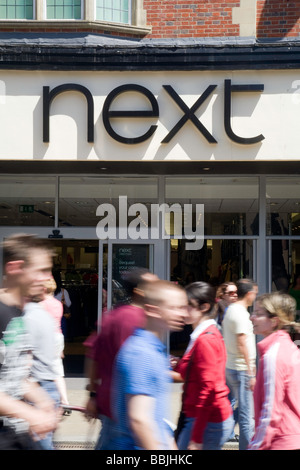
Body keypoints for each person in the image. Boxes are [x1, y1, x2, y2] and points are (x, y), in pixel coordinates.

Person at [85, 268, 158, 450]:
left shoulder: (114, 315)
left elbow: (92, 356)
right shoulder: (137, 319)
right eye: (153, 284)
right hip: (125, 409)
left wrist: (93, 394)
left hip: (112, 405)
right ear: (139, 291)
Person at [111, 280, 188, 450]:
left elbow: (157, 420)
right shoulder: (142, 353)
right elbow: (139, 420)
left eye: (183, 307)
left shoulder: (154, 350)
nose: (183, 313)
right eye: (175, 307)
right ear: (153, 310)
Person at [0, 234, 59, 450]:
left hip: (18, 436)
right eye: (41, 270)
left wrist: (43, 401)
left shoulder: (18, 314)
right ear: (15, 268)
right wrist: (28, 412)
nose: (47, 277)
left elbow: (13, 375)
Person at [174, 281, 234, 450]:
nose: (183, 310)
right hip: (203, 418)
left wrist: (196, 437)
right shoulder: (203, 335)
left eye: (188, 306)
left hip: (207, 421)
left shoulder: (205, 339)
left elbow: (208, 389)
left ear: (204, 307)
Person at [249, 292, 300, 450]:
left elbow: (271, 410)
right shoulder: (288, 347)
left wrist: (255, 445)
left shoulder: (274, 355)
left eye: (258, 313)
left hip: (279, 441)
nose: (252, 317)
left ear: (274, 321)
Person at [222, 278, 258, 450]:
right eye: (255, 293)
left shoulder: (231, 310)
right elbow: (242, 341)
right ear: (250, 293)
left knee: (238, 411)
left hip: (232, 367)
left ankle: (221, 434)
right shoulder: (240, 313)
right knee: (247, 417)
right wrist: (251, 372)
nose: (255, 297)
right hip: (242, 369)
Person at [40, 278, 70, 411]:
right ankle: (65, 400)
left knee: (44, 370)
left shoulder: (42, 304)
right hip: (58, 336)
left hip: (48, 338)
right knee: (58, 371)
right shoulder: (58, 304)